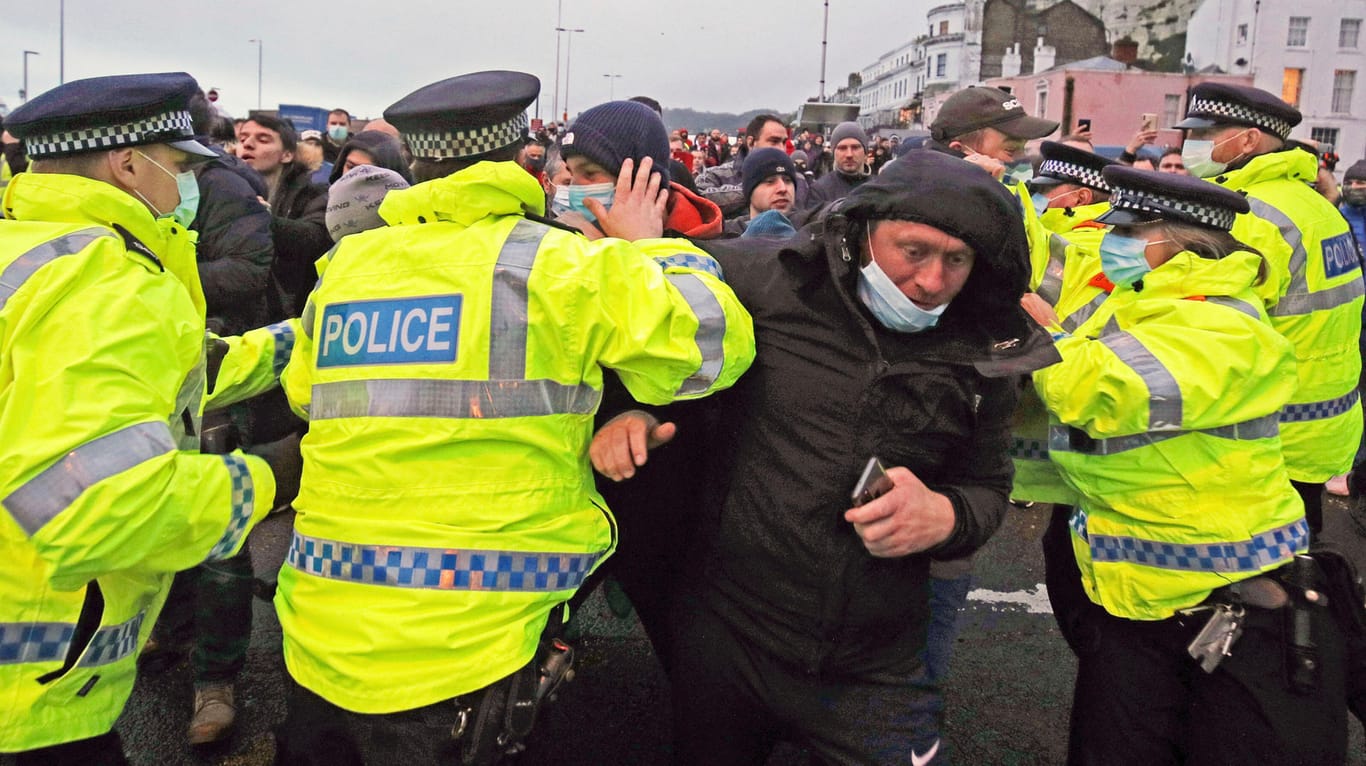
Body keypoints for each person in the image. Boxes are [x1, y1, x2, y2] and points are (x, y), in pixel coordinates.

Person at [270, 70, 755, 765]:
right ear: (523, 155)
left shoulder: (350, 266)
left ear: (419, 163)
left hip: (321, 636)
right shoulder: (559, 266)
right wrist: (649, 247)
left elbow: (304, 393)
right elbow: (713, 348)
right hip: (470, 654)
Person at [593, 150, 1057, 765]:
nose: (932, 281)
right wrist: (629, 410)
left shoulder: (985, 350)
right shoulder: (770, 279)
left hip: (876, 663)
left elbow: (988, 490)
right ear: (863, 232)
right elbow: (666, 332)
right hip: (728, 638)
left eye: (957, 259)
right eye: (913, 251)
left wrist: (944, 516)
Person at [0, 71, 292, 764]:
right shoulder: (104, 281)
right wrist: (273, 476)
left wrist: (304, 340)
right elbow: (102, 505)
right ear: (130, 165)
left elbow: (178, 371)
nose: (186, 183)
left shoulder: (33, 251)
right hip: (30, 685)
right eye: (183, 165)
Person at [1034, 165, 1349, 765]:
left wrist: (1041, 339)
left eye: (1129, 232)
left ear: (1180, 241)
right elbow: (1057, 265)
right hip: (1139, 594)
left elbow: (1105, 388)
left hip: (1224, 602)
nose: (1112, 243)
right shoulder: (1143, 299)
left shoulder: (1227, 325)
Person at [1176, 82, 1363, 536]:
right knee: (1299, 550)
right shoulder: (1312, 205)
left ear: (1247, 141)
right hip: (1319, 421)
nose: (1191, 144)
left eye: (1207, 132)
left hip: (1264, 430)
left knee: (1252, 576)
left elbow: (1209, 329)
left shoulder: (1250, 215)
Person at [557, 100, 724, 240]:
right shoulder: (575, 235)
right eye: (571, 174)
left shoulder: (712, 252)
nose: (574, 187)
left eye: (589, 173)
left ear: (643, 178)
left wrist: (636, 249)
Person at [236, 114, 331, 319]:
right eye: (242, 138)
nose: (248, 145)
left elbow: (314, 238)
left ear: (287, 155)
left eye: (263, 139)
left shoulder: (312, 192)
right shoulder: (223, 189)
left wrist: (263, 220)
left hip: (295, 313)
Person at [721, 147, 798, 238]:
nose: (783, 188)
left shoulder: (812, 234)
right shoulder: (723, 236)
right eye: (770, 181)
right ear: (750, 190)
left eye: (788, 180)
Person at [803, 121, 871, 210]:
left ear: (865, 152)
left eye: (855, 147)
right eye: (842, 148)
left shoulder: (880, 187)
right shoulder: (819, 190)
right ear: (833, 153)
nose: (849, 154)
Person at [326, 130, 413, 186]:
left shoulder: (408, 211)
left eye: (366, 171)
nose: (353, 176)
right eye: (350, 167)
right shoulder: (321, 208)